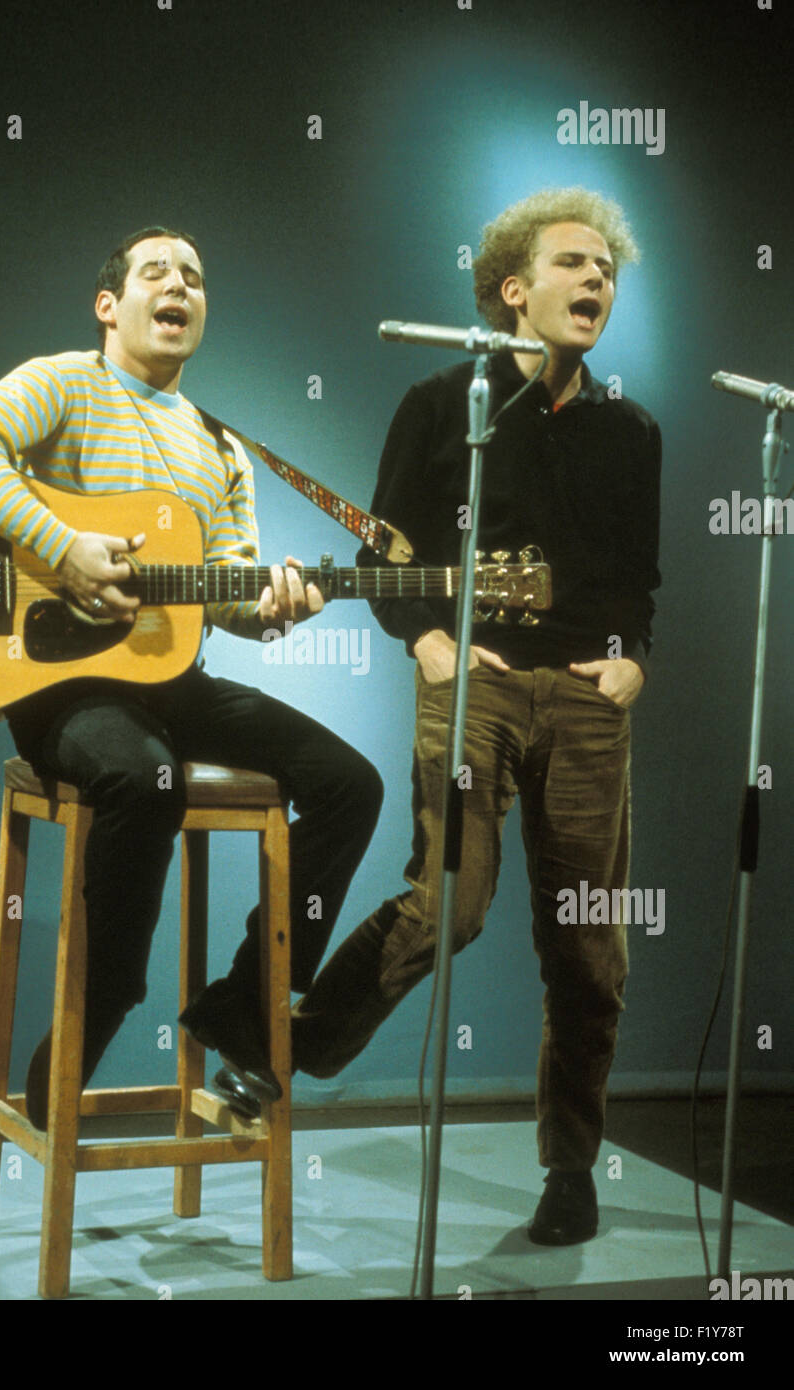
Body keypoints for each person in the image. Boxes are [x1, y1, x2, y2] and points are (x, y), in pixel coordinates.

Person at [0, 226, 383, 1128]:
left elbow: (227, 593)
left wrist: (274, 605)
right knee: (144, 775)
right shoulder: (63, 383)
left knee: (350, 784)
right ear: (110, 304)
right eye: (156, 271)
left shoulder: (223, 449)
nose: (179, 285)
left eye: (196, 278)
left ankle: (246, 1012)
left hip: (173, 681)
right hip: (62, 684)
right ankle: (99, 1014)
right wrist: (64, 546)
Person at [291, 188, 662, 1245]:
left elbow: (636, 582)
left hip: (589, 702)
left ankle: (569, 1167)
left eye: (606, 270)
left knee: (588, 946)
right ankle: (293, 1048)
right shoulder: (441, 403)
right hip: (477, 682)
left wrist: (631, 658)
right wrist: (429, 643)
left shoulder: (630, 430)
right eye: (573, 264)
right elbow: (380, 555)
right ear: (512, 288)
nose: (595, 281)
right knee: (449, 900)